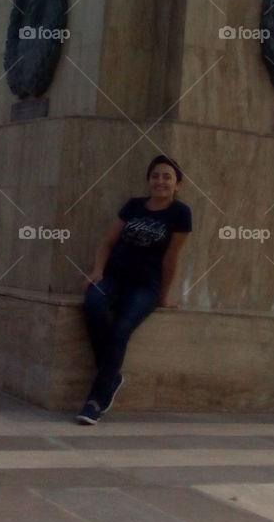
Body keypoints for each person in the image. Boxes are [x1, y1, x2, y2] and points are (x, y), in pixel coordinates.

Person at [77, 155, 193, 425]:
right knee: (93, 304)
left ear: (178, 185)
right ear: (148, 179)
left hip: (145, 285)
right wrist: (98, 270)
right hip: (114, 277)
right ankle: (112, 375)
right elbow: (108, 242)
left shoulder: (180, 213)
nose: (160, 181)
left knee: (120, 329)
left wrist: (163, 295)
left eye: (167, 177)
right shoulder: (134, 205)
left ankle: (97, 399)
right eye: (155, 176)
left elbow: (171, 259)